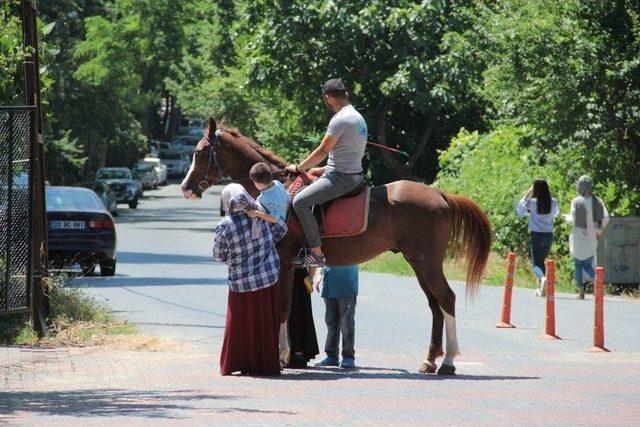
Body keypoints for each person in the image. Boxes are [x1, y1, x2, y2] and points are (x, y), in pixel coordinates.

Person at [287, 79, 368, 268]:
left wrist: (299, 168)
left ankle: (316, 254)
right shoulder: (358, 117)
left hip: (342, 178)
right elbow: (349, 153)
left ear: (328, 98)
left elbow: (322, 151)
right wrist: (323, 169)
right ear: (345, 94)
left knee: (299, 201)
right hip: (351, 172)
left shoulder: (339, 119)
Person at [213, 183, 287, 376]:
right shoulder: (260, 212)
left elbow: (219, 255)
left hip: (240, 283)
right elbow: (281, 229)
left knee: (239, 324)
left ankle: (236, 364)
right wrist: (266, 245)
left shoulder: (225, 225)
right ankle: (266, 365)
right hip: (268, 278)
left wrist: (235, 260)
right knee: (265, 323)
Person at [563, 175, 609, 300]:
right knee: (588, 265)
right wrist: (599, 231)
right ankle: (598, 286)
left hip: (578, 236)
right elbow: (605, 218)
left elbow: (572, 220)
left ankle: (581, 291)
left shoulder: (576, 201)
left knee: (578, 265)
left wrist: (565, 217)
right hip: (592, 237)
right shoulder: (598, 201)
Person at [516, 178, 559, 297]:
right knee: (542, 261)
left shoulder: (532, 202)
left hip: (536, 235)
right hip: (548, 235)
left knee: (536, 264)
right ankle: (541, 288)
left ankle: (543, 279)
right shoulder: (553, 201)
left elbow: (520, 210)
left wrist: (528, 193)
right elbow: (556, 213)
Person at [315, 265, 359, 369]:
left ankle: (348, 357)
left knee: (347, 324)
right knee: (331, 322)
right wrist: (319, 273)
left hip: (346, 285)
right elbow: (322, 256)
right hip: (329, 285)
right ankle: (331, 355)